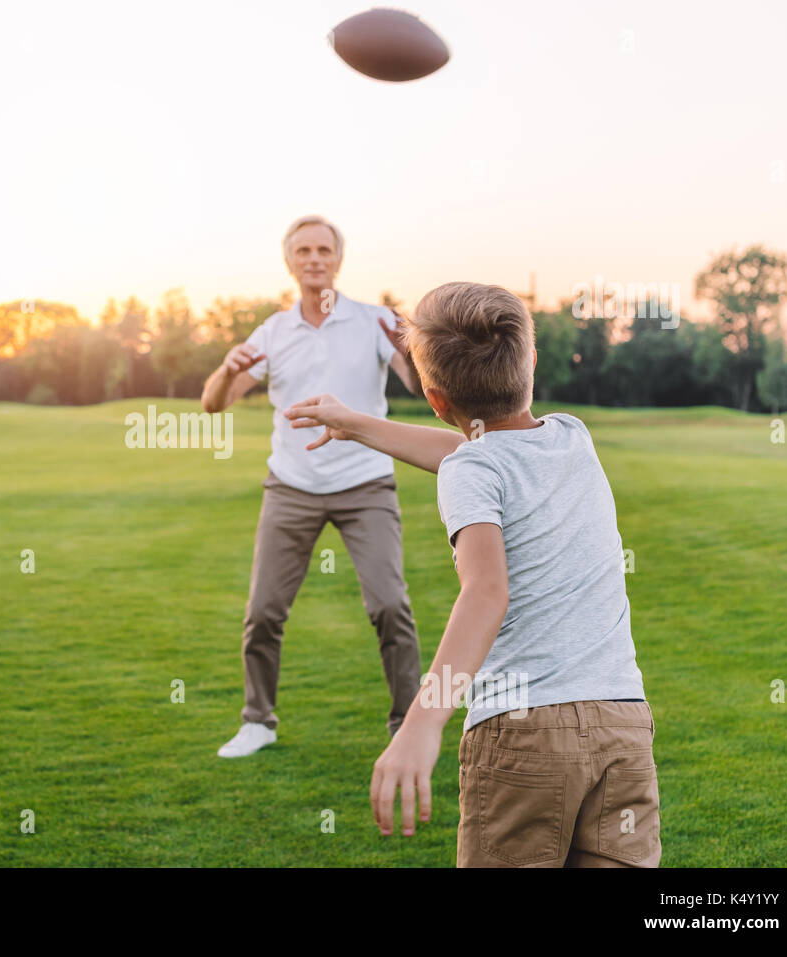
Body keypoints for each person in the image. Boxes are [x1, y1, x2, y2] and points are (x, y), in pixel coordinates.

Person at [284, 281, 659, 866]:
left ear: (434, 399)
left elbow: (487, 591)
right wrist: (356, 424)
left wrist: (422, 722)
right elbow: (469, 455)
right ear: (530, 361)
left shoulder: (472, 468)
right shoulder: (572, 439)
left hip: (523, 733)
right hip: (623, 725)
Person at [201, 215, 424, 758]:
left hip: (365, 483)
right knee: (263, 613)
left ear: (338, 259)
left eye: (324, 249)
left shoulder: (374, 321)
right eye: (304, 250)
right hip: (291, 487)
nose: (315, 258)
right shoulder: (272, 332)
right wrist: (227, 371)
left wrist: (414, 348)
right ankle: (259, 721)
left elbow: (421, 386)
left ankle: (408, 726)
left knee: (390, 606)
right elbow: (213, 404)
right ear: (290, 261)